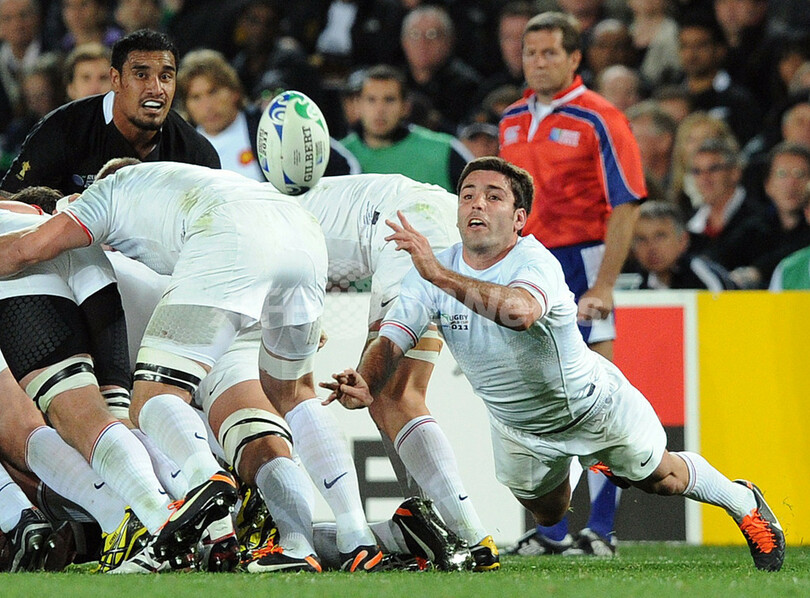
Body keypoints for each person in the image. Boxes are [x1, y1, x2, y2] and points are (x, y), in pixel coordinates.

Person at [322, 156, 786, 573]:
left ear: (519, 218)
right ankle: (583, 462)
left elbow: (520, 313)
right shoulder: (430, 273)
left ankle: (742, 501)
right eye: (467, 195)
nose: (477, 203)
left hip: (592, 407)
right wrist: (367, 380)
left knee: (662, 479)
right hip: (518, 429)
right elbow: (394, 338)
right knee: (548, 513)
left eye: (493, 196)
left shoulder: (531, 261)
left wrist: (439, 274)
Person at [0, 160, 387, 573]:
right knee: (288, 400)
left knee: (151, 401)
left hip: (222, 256)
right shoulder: (184, 194)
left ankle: (199, 493)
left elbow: (30, 248)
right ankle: (334, 538)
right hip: (293, 245)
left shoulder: (104, 204)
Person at [499, 11, 646, 555]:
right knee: (539, 398)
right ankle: (552, 530)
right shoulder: (511, 119)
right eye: (530, 52)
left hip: (583, 265)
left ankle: (601, 530)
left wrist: (603, 285)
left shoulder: (600, 118)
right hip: (530, 268)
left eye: (550, 53)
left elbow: (627, 203)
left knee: (599, 397)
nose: (538, 62)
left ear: (574, 58)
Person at [0, 29, 220, 196]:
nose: (156, 88)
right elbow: (8, 204)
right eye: (141, 75)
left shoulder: (196, 153)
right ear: (116, 79)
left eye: (165, 77)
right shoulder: (60, 129)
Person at [177, 49, 359, 182]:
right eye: (195, 97)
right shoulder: (184, 149)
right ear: (186, 106)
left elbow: (345, 164)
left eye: (213, 92)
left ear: (234, 91)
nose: (207, 106)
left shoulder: (272, 125)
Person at [341, 64, 473, 193]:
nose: (380, 109)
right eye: (371, 100)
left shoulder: (443, 151)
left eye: (389, 100)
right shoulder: (339, 156)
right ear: (358, 105)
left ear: (406, 107)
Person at [730, 142, 810, 288]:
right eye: (782, 174)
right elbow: (723, 254)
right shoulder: (754, 227)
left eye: (800, 174)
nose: (791, 183)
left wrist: (759, 271)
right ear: (767, 185)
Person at [686, 138, 769, 274]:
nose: (705, 178)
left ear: (735, 173)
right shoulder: (688, 224)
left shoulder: (761, 220)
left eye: (713, 169)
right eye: (697, 171)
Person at [399, 5, 483, 132]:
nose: (422, 43)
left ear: (448, 40)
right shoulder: (397, 82)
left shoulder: (467, 86)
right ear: (404, 42)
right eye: (415, 34)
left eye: (432, 35)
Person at [628, 200, 736, 290]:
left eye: (660, 236)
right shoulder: (639, 287)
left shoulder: (703, 275)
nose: (651, 247)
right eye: (641, 239)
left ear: (683, 240)